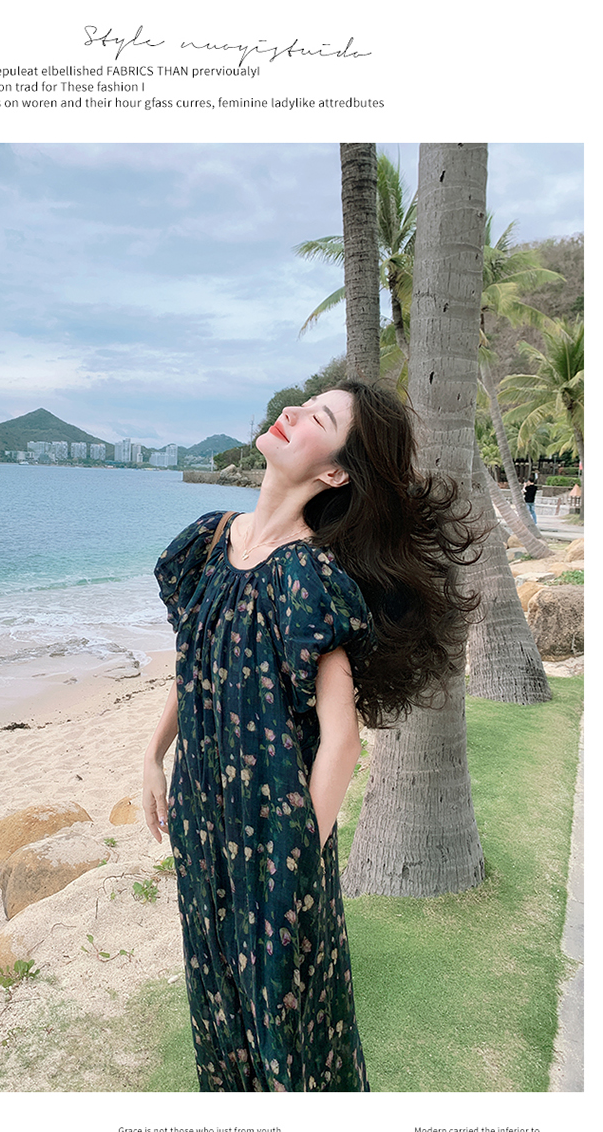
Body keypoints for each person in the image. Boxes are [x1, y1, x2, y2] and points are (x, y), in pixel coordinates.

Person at [143, 379, 481, 1092]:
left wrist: (298, 857)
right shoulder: (209, 542)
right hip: (203, 827)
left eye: (318, 417)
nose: (292, 411)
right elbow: (195, 659)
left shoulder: (310, 577)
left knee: (291, 1036)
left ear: (334, 474)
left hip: (276, 841)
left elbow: (341, 741)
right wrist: (152, 753)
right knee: (219, 1007)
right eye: (305, 405)